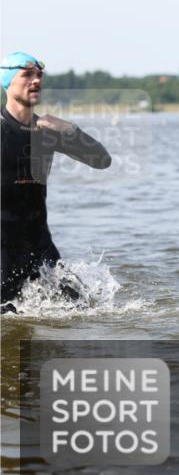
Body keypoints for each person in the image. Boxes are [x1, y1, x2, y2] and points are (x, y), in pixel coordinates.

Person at [1, 52, 112, 313]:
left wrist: (70, 130)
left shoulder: (47, 131)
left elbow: (101, 160)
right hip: (3, 249)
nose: (36, 80)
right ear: (6, 81)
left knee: (85, 309)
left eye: (39, 75)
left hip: (40, 248)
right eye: (27, 74)